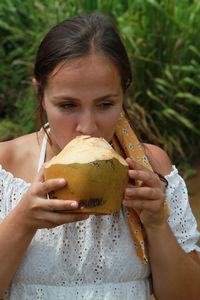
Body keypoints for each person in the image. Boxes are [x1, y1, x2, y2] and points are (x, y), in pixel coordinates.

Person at [0, 12, 200, 300]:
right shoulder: (5, 166)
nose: (88, 127)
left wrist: (156, 223)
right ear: (40, 94)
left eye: (105, 104)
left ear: (124, 93)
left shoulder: (151, 169)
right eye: (67, 105)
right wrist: (22, 221)